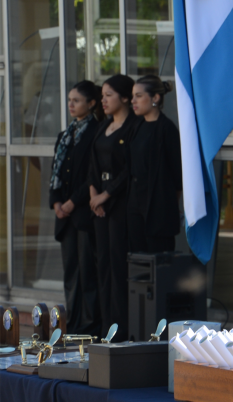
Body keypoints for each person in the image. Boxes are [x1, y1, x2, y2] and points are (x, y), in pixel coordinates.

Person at [50, 80, 103, 335]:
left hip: (84, 213)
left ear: (91, 104)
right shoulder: (66, 134)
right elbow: (56, 171)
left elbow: (91, 175)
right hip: (65, 215)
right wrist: (57, 201)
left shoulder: (96, 131)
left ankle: (90, 324)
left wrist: (73, 201)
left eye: (77, 100)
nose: (71, 105)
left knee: (88, 272)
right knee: (71, 270)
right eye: (70, 100)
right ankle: (72, 322)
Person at [89, 74, 138, 341]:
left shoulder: (133, 127)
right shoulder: (102, 126)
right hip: (99, 207)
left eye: (109, 95)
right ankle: (105, 328)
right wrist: (93, 195)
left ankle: (120, 330)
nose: (103, 100)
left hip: (119, 205)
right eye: (103, 95)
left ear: (125, 98)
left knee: (120, 268)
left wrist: (106, 195)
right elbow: (92, 164)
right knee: (103, 267)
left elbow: (130, 169)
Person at [127, 75, 182, 253]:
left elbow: (177, 174)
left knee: (159, 262)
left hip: (159, 208)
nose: (133, 100)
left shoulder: (167, 129)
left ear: (155, 98)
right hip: (135, 205)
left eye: (139, 95)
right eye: (132, 95)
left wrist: (169, 205)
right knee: (138, 261)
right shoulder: (137, 126)